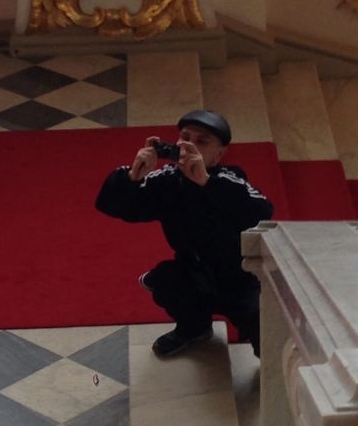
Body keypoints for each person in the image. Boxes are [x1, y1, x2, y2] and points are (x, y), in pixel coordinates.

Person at [95, 110, 274, 357]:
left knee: (264, 323)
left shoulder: (229, 180)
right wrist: (132, 177)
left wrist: (206, 183)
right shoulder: (167, 180)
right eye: (185, 138)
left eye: (202, 141)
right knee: (165, 281)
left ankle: (270, 362)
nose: (189, 146)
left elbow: (261, 211)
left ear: (218, 154)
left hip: (241, 279)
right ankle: (194, 329)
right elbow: (113, 206)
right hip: (195, 272)